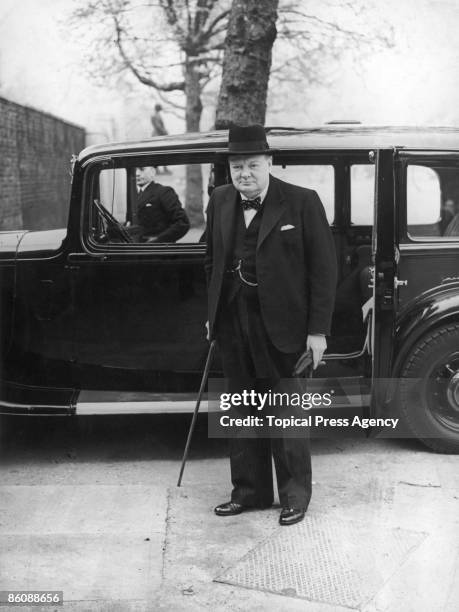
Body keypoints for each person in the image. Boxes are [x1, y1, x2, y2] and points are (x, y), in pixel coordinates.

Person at [205, 124, 337, 526]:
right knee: (242, 408)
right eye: (236, 166)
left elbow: (323, 271)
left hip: (285, 327)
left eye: (251, 165)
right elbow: (211, 261)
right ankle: (249, 492)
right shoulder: (220, 200)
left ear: (269, 163)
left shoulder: (301, 202)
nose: (243, 173)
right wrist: (212, 317)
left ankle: (295, 496)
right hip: (233, 322)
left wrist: (317, 332)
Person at [134, 166, 189, 243]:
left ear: (153, 172)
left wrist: (158, 240)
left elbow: (182, 223)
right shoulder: (135, 196)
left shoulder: (164, 192)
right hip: (137, 249)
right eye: (135, 170)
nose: (137, 174)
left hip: (159, 251)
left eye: (142, 169)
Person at [151, 103, 171, 174]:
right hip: (158, 136)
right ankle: (157, 170)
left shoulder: (157, 115)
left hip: (159, 135)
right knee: (159, 153)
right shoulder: (155, 116)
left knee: (163, 153)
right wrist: (165, 132)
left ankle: (164, 168)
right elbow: (158, 127)